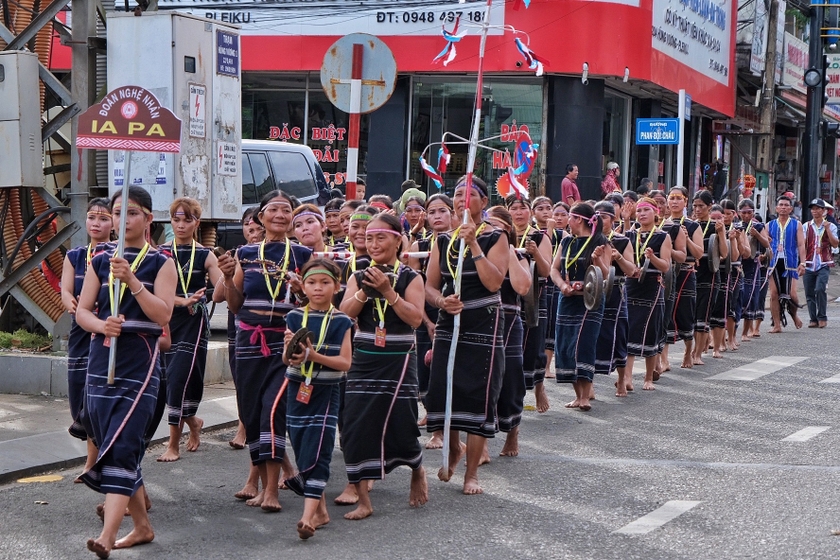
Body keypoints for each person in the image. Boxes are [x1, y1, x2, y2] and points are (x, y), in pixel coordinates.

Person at [75, 186, 176, 558]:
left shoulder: (162, 262)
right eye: (118, 212)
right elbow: (83, 311)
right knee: (112, 441)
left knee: (123, 444)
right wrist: (102, 326)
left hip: (140, 362)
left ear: (148, 219)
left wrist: (132, 281)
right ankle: (143, 527)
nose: (122, 220)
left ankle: (107, 535)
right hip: (102, 360)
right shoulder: (100, 260)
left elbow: (163, 315)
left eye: (131, 212)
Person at [215, 190, 311, 513]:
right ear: (260, 217)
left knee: (273, 410)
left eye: (287, 210)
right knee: (251, 412)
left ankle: (272, 490)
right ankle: (264, 483)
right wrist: (228, 277)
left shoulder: (303, 254)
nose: (280, 215)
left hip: (284, 344)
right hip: (248, 344)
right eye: (274, 210)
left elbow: (316, 304)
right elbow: (235, 303)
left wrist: (301, 292)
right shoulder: (244, 253)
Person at [339, 213, 428, 519]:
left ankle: (416, 468)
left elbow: (416, 319)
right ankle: (363, 498)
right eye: (370, 238)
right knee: (354, 424)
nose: (374, 244)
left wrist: (389, 293)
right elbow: (344, 313)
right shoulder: (358, 272)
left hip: (399, 357)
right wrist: (365, 290)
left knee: (402, 423)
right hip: (364, 356)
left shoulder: (410, 277)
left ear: (397, 240)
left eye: (381, 237)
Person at [425, 175, 508, 495]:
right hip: (450, 322)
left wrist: (473, 242)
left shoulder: (495, 237)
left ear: (483, 203)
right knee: (447, 391)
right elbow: (430, 286)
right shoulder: (443, 240)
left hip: (483, 324)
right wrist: (440, 301)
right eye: (457, 194)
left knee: (478, 397)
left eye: (469, 194)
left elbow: (493, 282)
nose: (462, 199)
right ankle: (454, 448)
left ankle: (471, 473)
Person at [282, 258, 353, 539]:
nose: (318, 288)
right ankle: (321, 510)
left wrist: (312, 356)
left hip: (326, 393)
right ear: (303, 285)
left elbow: (345, 363)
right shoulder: (293, 317)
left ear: (337, 286)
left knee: (319, 453)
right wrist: (293, 353)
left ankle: (307, 518)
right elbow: (285, 359)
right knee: (302, 448)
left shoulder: (343, 321)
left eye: (325, 282)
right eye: (311, 282)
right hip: (296, 391)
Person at [157, 198, 224, 462]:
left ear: (197, 222)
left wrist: (226, 277)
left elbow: (220, 293)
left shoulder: (206, 254)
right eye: (176, 219)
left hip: (193, 322)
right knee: (166, 382)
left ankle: (173, 444)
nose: (181, 224)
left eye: (187, 219)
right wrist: (180, 300)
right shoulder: (160, 252)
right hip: (164, 319)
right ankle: (194, 423)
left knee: (180, 380)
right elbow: (151, 290)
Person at [61, 198, 113, 477]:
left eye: (104, 218)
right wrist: (71, 302)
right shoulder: (75, 256)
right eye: (92, 217)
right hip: (80, 334)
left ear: (113, 223)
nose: (97, 223)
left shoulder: (117, 256)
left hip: (106, 335)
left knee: (97, 400)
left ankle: (95, 462)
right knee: (78, 398)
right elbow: (66, 290)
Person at [550, 202, 610, 409]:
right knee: (566, 346)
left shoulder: (601, 242)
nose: (566, 220)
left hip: (590, 301)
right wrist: (562, 286)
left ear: (578, 220)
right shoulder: (566, 243)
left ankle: (586, 396)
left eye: (569, 216)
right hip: (567, 299)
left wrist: (597, 261)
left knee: (583, 344)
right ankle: (577, 395)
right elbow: (554, 270)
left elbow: (607, 274)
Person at [407, 194, 454, 450]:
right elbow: (417, 288)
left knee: (452, 372)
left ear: (452, 214)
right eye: (432, 212)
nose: (437, 216)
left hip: (454, 309)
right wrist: (426, 322)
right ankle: (435, 425)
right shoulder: (419, 246)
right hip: (426, 313)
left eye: (442, 211)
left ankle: (452, 427)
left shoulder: (461, 243)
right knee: (425, 373)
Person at [486, 206, 531, 456]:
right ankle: (480, 443)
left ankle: (513, 431)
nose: (491, 231)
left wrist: (510, 252)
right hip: (481, 321)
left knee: (511, 377)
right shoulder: (479, 253)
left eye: (497, 226)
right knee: (482, 379)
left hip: (510, 320)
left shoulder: (519, 255)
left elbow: (523, 287)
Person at [620, 197, 672, 392]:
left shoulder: (662, 236)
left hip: (652, 284)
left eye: (646, 211)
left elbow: (666, 266)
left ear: (655, 213)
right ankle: (627, 377)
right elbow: (624, 254)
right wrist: (625, 221)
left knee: (650, 330)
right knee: (629, 330)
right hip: (632, 284)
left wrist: (652, 257)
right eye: (639, 211)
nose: (642, 214)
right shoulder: (631, 234)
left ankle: (649, 377)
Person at [507, 196, 552, 414]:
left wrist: (535, 253)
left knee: (534, 345)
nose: (518, 213)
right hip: (509, 295)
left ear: (529, 212)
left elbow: (546, 271)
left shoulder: (539, 236)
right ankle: (514, 394)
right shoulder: (502, 235)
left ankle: (539, 387)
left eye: (522, 208)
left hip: (535, 295)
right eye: (513, 209)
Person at [227, 207, 263, 451]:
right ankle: (244, 423)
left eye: (258, 228)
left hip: (267, 332)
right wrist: (227, 273)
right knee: (242, 380)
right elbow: (219, 296)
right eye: (249, 229)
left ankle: (248, 427)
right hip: (239, 328)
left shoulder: (281, 254)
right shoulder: (237, 254)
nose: (254, 234)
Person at [591, 201, 634, 392]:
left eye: (604, 217)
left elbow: (632, 270)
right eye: (596, 216)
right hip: (592, 291)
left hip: (616, 291)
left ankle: (622, 380)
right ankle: (587, 386)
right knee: (590, 337)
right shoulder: (589, 239)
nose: (599, 220)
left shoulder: (622, 241)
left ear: (613, 219)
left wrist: (619, 258)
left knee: (618, 335)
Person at [663, 187, 704, 369]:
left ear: (685, 201)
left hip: (687, 271)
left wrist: (686, 239)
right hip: (667, 272)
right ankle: (663, 359)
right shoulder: (662, 224)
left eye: (678, 198)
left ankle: (689, 351)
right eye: (671, 198)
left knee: (685, 314)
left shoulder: (693, 225)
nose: (674, 202)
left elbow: (699, 253)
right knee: (665, 315)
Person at [691, 191, 728, 365]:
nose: (698, 209)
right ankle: (691, 349)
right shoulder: (690, 225)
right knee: (690, 315)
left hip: (710, 273)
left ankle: (697, 354)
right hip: (692, 273)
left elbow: (724, 253)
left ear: (709, 207)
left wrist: (721, 233)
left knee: (703, 315)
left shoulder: (715, 226)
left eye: (701, 206)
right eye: (695, 206)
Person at [708, 200, 747, 356]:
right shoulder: (705, 229)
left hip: (731, 271)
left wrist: (734, 239)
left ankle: (730, 338)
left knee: (729, 307)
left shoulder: (737, 229)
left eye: (724, 215)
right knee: (712, 307)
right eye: (717, 216)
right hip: (713, 270)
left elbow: (741, 253)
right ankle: (713, 339)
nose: (721, 218)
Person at [767, 195, 806, 332]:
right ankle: (777, 325)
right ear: (777, 208)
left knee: (792, 294)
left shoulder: (797, 224)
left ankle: (794, 315)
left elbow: (801, 245)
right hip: (773, 262)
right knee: (774, 294)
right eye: (781, 205)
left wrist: (803, 263)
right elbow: (765, 244)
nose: (783, 207)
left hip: (790, 262)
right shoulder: (769, 225)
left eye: (786, 205)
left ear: (790, 209)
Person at [802, 198, 839, 328]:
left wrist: (827, 229)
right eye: (813, 208)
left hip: (824, 262)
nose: (815, 211)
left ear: (824, 211)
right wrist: (800, 263)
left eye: (818, 208)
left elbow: (835, 243)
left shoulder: (831, 226)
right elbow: (802, 245)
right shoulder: (806, 226)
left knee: (820, 288)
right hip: (808, 262)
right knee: (809, 292)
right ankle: (813, 318)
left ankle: (822, 316)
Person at [738, 199, 769, 341]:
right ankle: (732, 332)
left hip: (753, 265)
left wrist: (756, 235)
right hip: (739, 263)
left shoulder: (758, 225)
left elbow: (767, 243)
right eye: (743, 212)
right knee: (738, 297)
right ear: (739, 213)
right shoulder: (736, 226)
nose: (746, 215)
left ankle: (746, 332)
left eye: (749, 212)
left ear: (753, 213)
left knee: (751, 297)